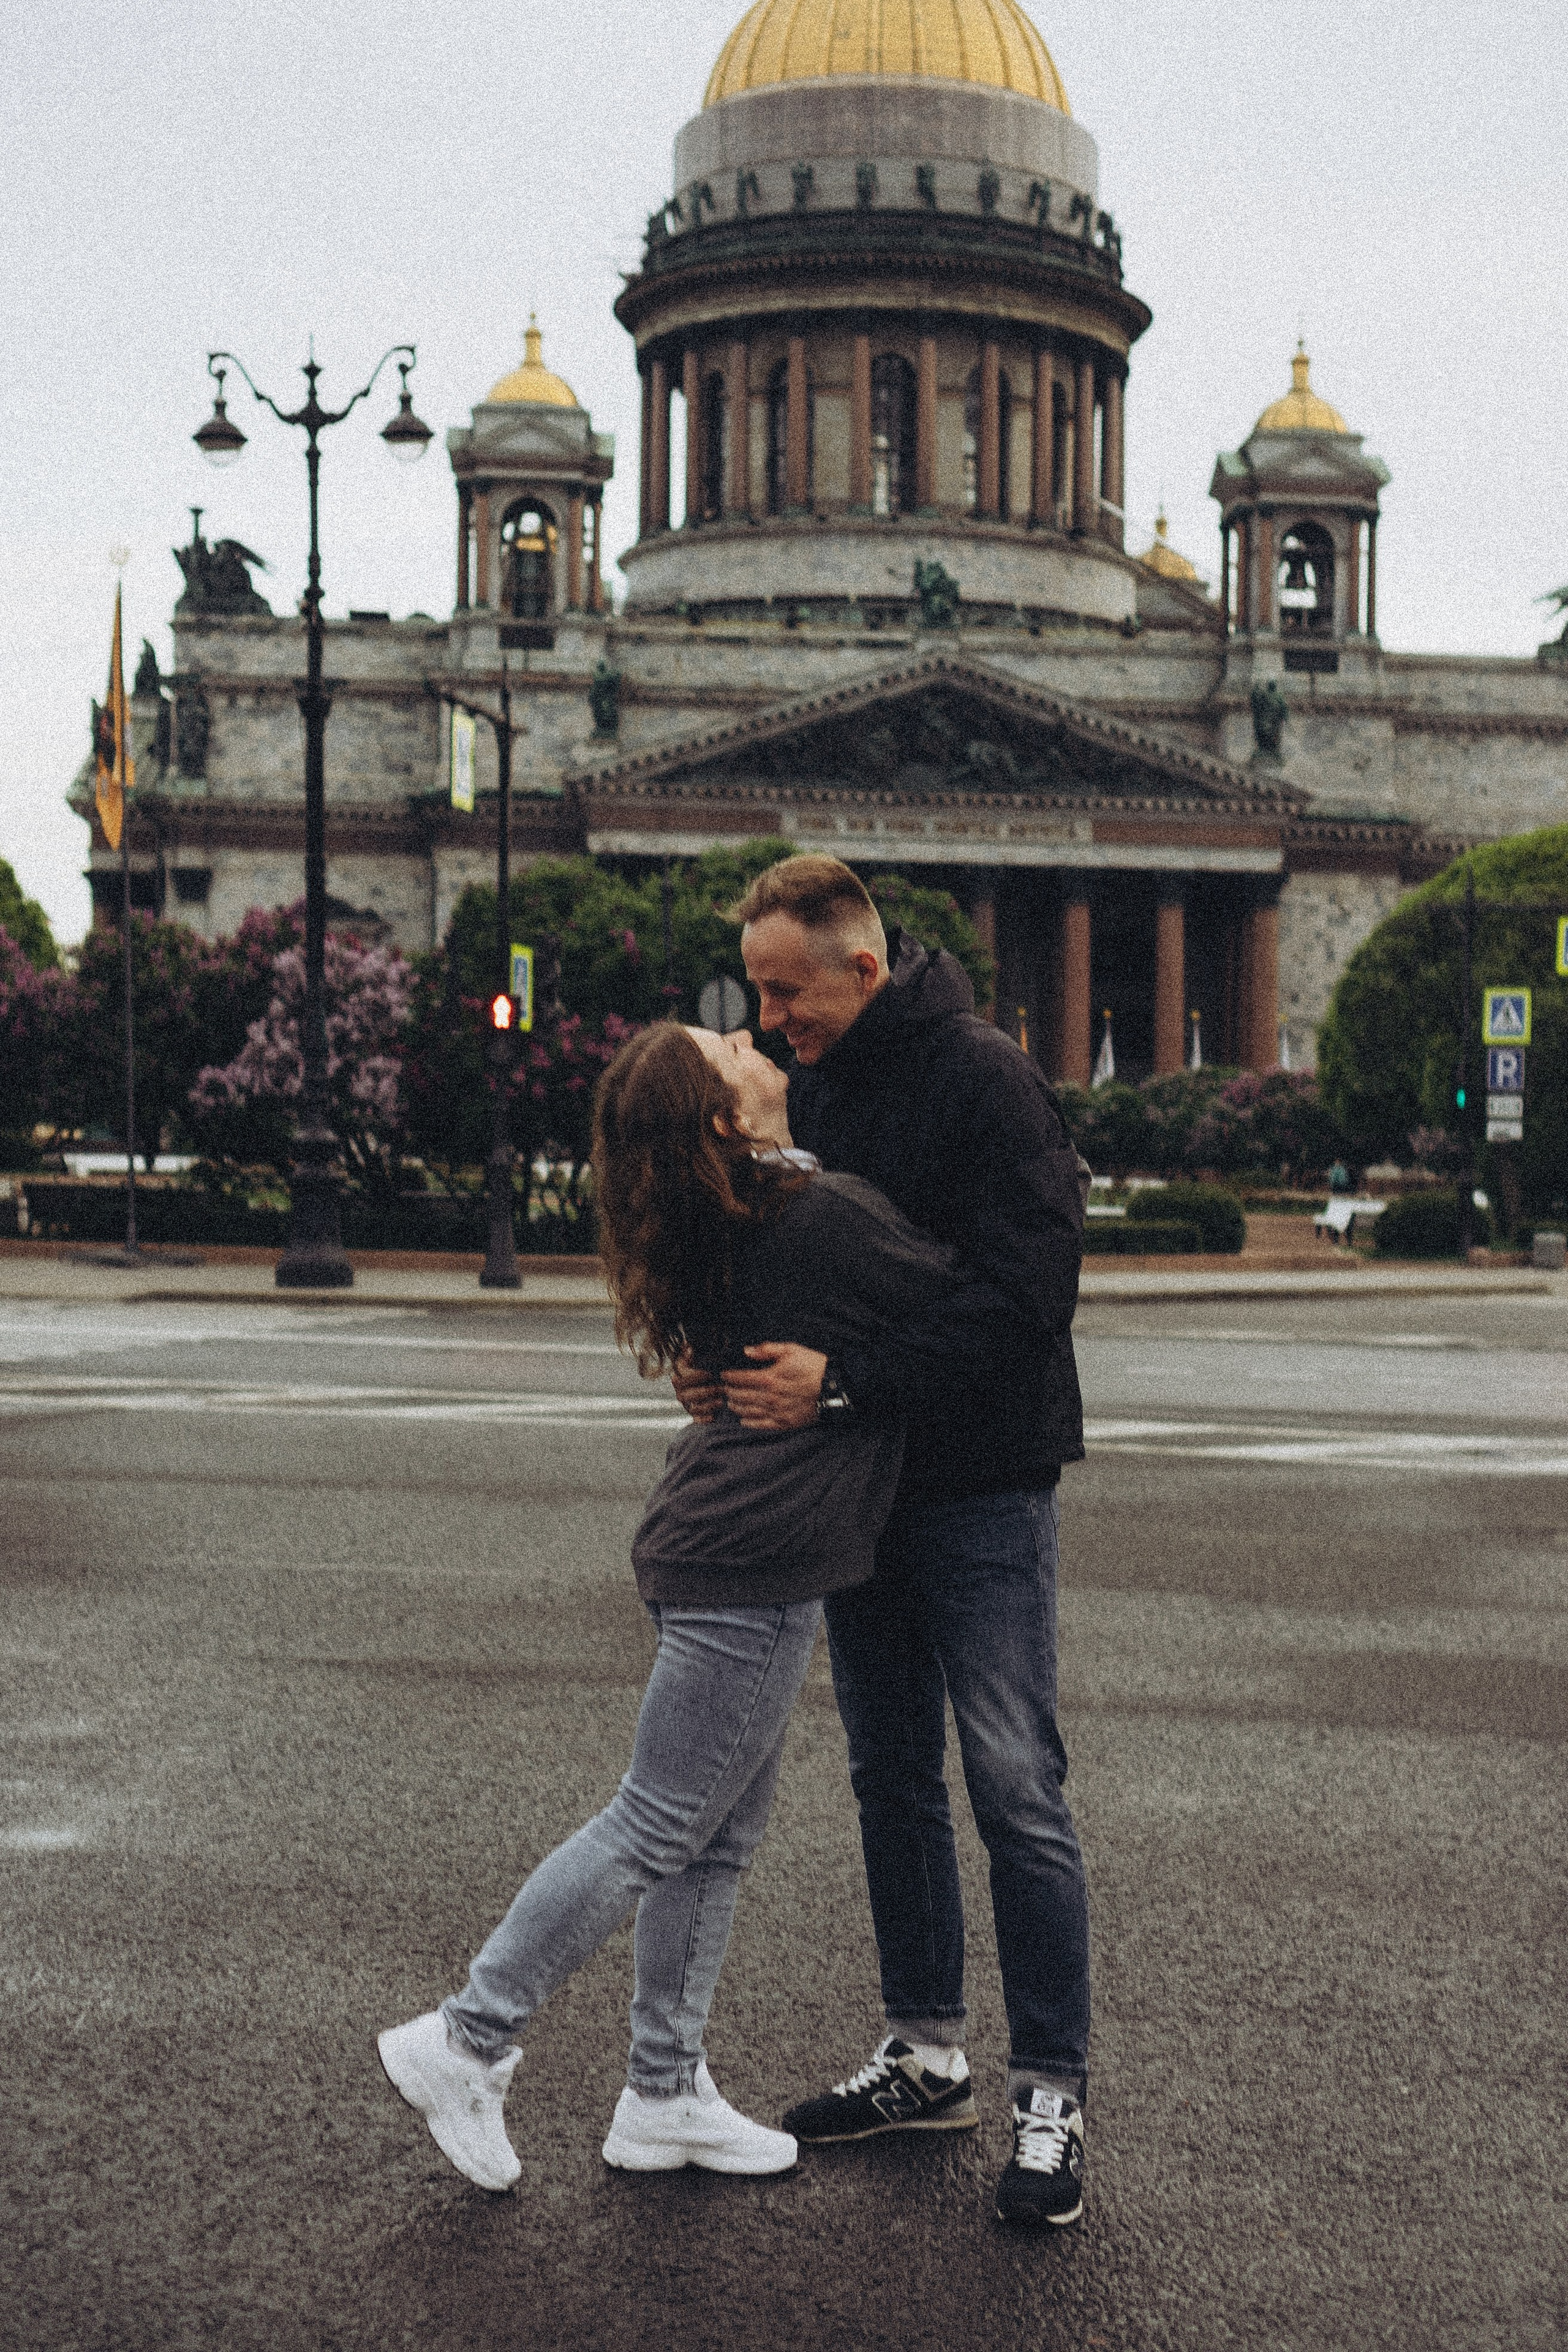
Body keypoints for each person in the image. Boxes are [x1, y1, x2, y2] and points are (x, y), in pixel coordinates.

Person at [377, 1019, 957, 2193]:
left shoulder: (745, 1215)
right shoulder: (816, 1215)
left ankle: (662, 2093)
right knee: (655, 1825)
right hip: (748, 1559)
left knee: (713, 1837)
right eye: (728, 1044)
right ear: (723, 1121)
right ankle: (468, 2037)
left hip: (741, 1551)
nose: (751, 1036)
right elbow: (963, 1289)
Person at [673, 854, 1091, 2229]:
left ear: (861, 967)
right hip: (863, 1490)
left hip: (975, 1484)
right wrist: (718, 1361)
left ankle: (1048, 2093)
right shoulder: (818, 1082)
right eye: (756, 993)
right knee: (889, 1779)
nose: (768, 1016)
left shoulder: (986, 1081)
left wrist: (842, 1385)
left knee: (1015, 1787)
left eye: (786, 991)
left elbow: (1027, 1298)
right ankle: (924, 2052)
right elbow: (807, 1264)